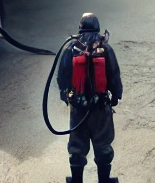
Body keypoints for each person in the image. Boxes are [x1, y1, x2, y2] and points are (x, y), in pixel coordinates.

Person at [56, 13, 123, 183]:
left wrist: (66, 96)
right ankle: (104, 180)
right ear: (97, 28)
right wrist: (116, 96)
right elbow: (114, 75)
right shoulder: (105, 49)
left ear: (80, 28)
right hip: (100, 107)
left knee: (77, 146)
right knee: (103, 145)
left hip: (79, 109)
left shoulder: (71, 48)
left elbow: (62, 76)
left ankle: (76, 180)